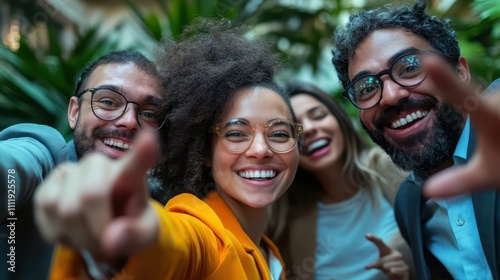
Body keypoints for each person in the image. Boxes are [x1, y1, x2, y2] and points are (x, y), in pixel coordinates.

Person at [34, 19, 302, 279]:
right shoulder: (200, 230)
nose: (260, 149)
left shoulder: (270, 253)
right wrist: (132, 234)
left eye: (279, 133)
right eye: (235, 133)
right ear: (205, 154)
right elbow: (175, 246)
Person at [331, 0, 500, 279]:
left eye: (409, 67)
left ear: (459, 71)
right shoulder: (409, 205)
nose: (391, 96)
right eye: (366, 88)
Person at [0, 50, 165, 280]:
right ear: (74, 111)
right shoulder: (46, 158)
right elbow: (13, 163)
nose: (128, 121)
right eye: (108, 101)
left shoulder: (161, 206)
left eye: (149, 113)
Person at [266, 81, 414, 280]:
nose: (309, 129)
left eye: (318, 115)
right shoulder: (284, 217)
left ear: (339, 119)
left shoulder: (393, 168)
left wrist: (409, 269)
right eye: (292, 130)